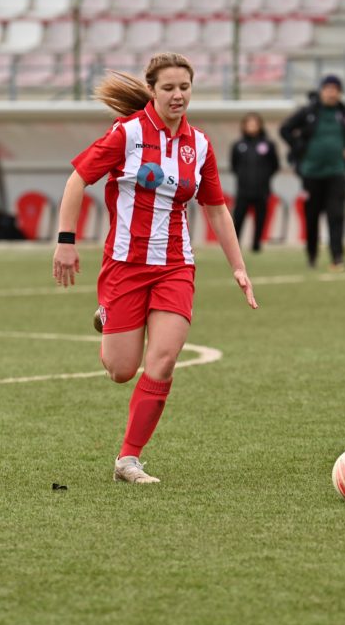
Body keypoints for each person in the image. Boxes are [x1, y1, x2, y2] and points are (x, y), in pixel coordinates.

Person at [52, 52, 258, 484]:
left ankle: (129, 459)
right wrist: (65, 243)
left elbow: (217, 209)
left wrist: (238, 267)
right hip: (125, 266)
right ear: (152, 90)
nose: (178, 95)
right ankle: (109, 314)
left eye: (184, 87)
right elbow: (76, 180)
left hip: (175, 267)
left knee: (162, 361)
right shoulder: (125, 134)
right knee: (121, 370)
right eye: (168, 88)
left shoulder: (199, 145)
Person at [279, 74, 345, 271]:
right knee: (312, 217)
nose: (331, 93)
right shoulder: (309, 112)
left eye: (335, 89)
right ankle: (311, 256)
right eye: (328, 89)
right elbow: (285, 129)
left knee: (336, 215)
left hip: (337, 172)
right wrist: (300, 148)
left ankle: (337, 258)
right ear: (321, 91)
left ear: (340, 93)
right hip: (311, 173)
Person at [230, 112, 279, 252]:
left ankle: (256, 244)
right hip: (243, 190)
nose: (252, 127)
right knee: (238, 218)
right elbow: (234, 165)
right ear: (244, 126)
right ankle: (235, 245)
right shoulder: (238, 145)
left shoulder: (268, 145)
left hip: (262, 190)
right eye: (249, 124)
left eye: (255, 124)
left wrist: (264, 177)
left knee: (260, 218)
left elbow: (275, 165)